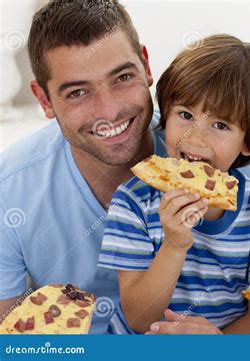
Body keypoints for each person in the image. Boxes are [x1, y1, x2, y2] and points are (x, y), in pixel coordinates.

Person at [97, 34, 250, 334]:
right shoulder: (132, 202)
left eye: (221, 125)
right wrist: (175, 245)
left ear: (249, 142)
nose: (196, 138)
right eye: (186, 115)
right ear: (165, 116)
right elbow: (139, 319)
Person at [0, 0, 163, 333]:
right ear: (44, 100)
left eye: (122, 77)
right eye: (77, 92)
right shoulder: (8, 191)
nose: (109, 111)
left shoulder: (224, 166)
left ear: (145, 66)